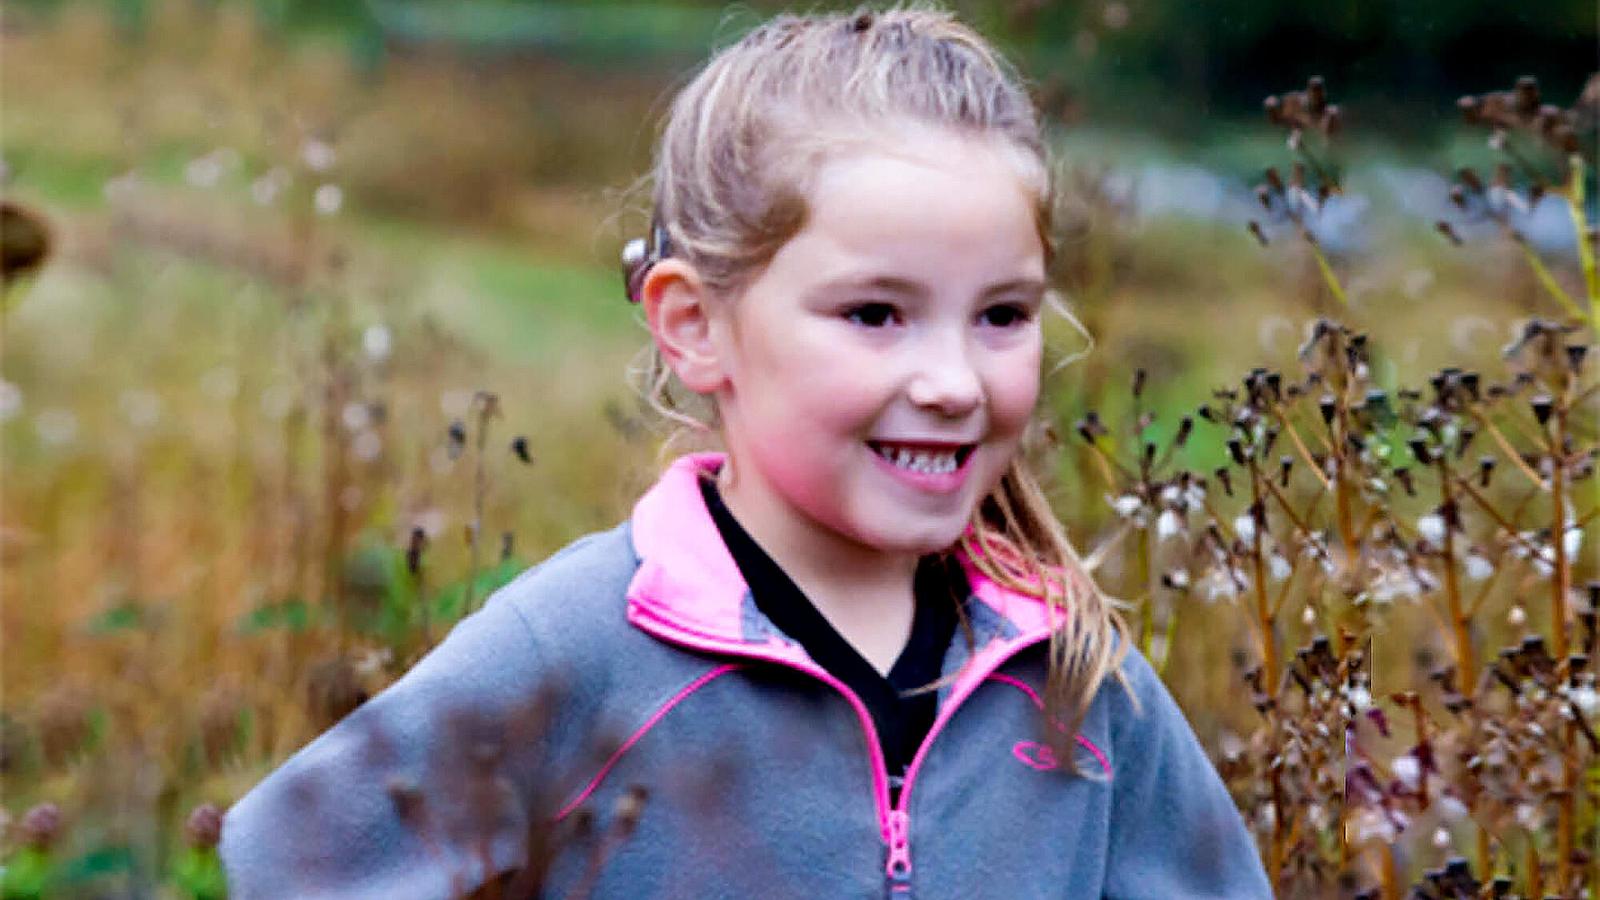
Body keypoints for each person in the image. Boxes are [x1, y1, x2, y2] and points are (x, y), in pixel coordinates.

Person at [220, 6, 1273, 898]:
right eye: (874, 314)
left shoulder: (1080, 683)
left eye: (1001, 315)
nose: (954, 381)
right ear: (694, 327)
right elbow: (285, 864)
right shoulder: (577, 651)